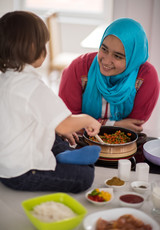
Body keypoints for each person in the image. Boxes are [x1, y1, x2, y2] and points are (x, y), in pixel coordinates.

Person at [0, 11, 102, 193]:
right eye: (43, 45)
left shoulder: (5, 79)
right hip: (22, 173)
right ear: (32, 47)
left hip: (6, 161)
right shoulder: (32, 86)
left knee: (54, 133)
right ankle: (63, 157)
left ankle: (62, 154)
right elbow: (65, 125)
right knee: (85, 176)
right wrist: (87, 119)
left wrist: (58, 127)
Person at [59, 18, 160, 136]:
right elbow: (67, 121)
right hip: (80, 141)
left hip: (122, 145)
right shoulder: (78, 68)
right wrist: (115, 125)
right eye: (104, 49)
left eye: (118, 56)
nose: (106, 61)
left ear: (134, 58)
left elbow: (133, 127)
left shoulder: (145, 76)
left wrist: (91, 123)